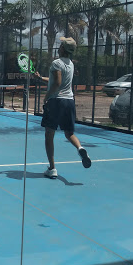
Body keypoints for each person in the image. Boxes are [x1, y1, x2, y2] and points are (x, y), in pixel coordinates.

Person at [34, 37, 91, 179]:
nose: (58, 46)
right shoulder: (70, 64)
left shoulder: (56, 63)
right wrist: (41, 78)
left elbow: (57, 83)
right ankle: (80, 148)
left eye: (60, 45)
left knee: (49, 134)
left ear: (63, 48)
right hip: (69, 102)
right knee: (69, 133)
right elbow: (56, 80)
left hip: (56, 102)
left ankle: (52, 168)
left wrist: (47, 96)